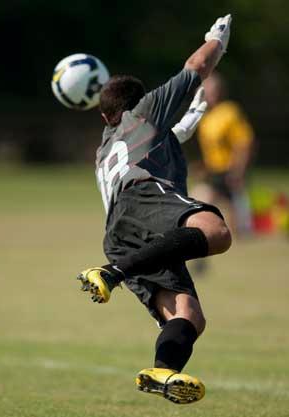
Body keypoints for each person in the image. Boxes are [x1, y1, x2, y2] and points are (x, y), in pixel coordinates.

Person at [76, 15, 232, 405]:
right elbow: (196, 68)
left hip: (120, 231)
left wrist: (181, 129)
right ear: (140, 101)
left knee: (188, 316)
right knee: (216, 232)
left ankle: (163, 370)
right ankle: (111, 273)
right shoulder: (144, 112)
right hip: (143, 201)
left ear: (103, 118)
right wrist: (217, 41)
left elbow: (153, 143)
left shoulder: (106, 146)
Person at [195, 72, 255, 235]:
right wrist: (203, 166)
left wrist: (238, 171)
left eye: (211, 90)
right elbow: (211, 149)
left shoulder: (230, 111)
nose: (208, 94)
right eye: (204, 90)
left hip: (230, 172)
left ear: (220, 91)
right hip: (214, 174)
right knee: (197, 206)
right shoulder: (205, 117)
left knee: (239, 227)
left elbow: (244, 143)